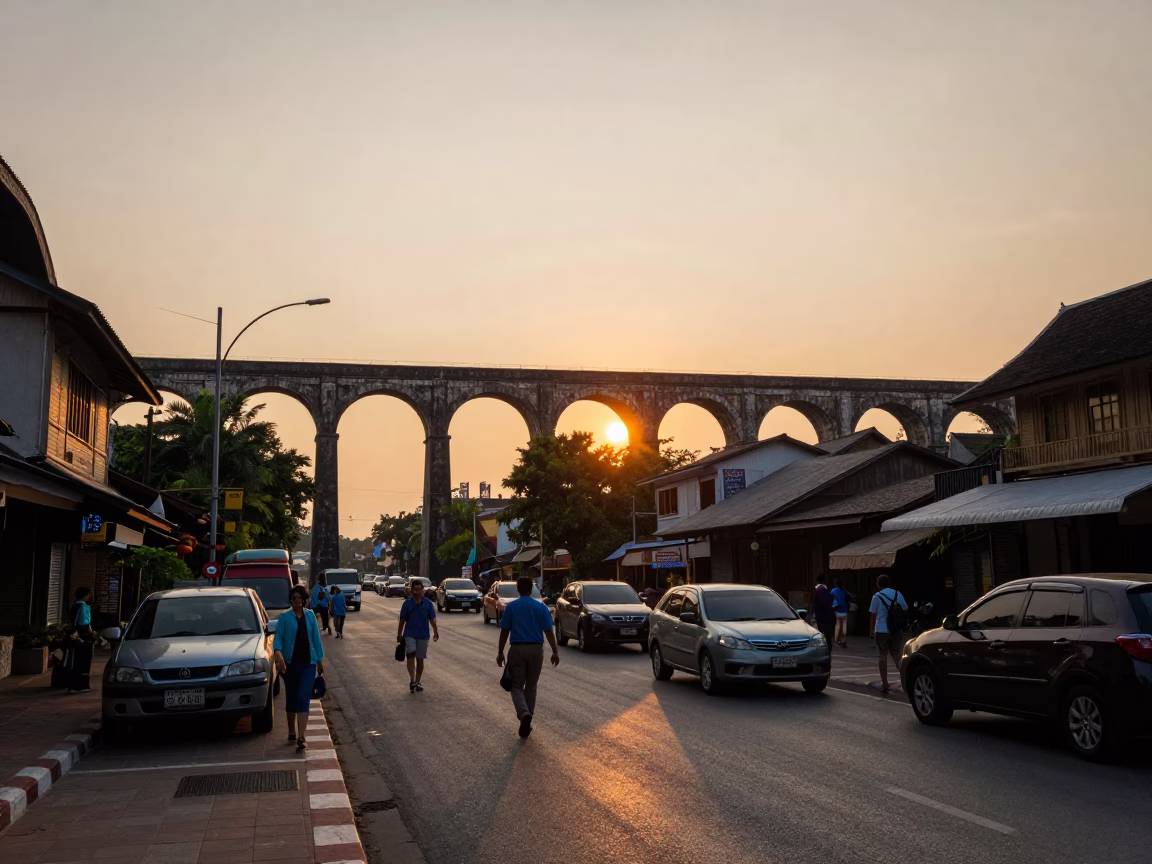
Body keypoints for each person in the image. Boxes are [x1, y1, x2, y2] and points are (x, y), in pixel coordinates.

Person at [496, 576, 560, 739]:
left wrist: (500, 652)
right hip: (536, 650)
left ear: (517, 589)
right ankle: (528, 720)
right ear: (532, 590)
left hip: (517, 649)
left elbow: (505, 631)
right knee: (531, 687)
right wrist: (555, 651)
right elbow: (548, 631)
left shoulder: (511, 607)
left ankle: (524, 714)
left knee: (517, 686)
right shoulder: (541, 607)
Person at [273, 585, 325, 750]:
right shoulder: (285, 617)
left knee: (303, 698)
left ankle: (301, 736)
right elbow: (278, 638)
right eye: (294, 598)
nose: (297, 601)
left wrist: (319, 660)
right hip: (290, 665)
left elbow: (316, 639)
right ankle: (291, 731)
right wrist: (278, 652)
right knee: (292, 698)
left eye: (300, 598)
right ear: (291, 600)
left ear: (304, 600)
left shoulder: (310, 617)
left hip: (308, 664)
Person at [397, 579, 438, 693]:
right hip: (409, 634)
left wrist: (435, 632)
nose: (418, 591)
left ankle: (418, 681)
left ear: (423, 590)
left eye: (420, 589)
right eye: (416, 589)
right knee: (410, 654)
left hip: (423, 635)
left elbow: (432, 619)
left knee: (420, 659)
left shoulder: (428, 604)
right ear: (412, 590)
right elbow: (402, 620)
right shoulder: (407, 604)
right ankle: (412, 680)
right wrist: (399, 634)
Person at [869, 574, 907, 693]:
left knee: (883, 655)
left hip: (881, 630)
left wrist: (871, 631)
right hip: (896, 629)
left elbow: (873, 615)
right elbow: (905, 609)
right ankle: (905, 681)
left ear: (878, 584)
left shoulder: (876, 596)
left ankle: (885, 683)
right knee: (896, 654)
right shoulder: (898, 594)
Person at [66, 587, 94, 693]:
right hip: (80, 635)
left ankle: (83, 685)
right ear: (85, 595)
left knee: (85, 661)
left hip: (86, 634)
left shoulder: (84, 606)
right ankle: (75, 686)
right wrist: (75, 634)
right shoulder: (78, 606)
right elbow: (74, 622)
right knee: (78, 661)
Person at [811, 578, 836, 649]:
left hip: (819, 616)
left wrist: (813, 614)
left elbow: (814, 605)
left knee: (819, 633)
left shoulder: (816, 594)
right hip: (829, 617)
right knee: (828, 635)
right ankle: (828, 648)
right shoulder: (829, 593)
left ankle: (820, 647)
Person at [831, 578, 852, 648]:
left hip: (837, 610)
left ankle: (836, 639)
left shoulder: (833, 591)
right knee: (844, 624)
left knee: (838, 624)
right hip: (845, 610)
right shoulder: (844, 591)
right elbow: (850, 596)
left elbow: (829, 598)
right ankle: (844, 640)